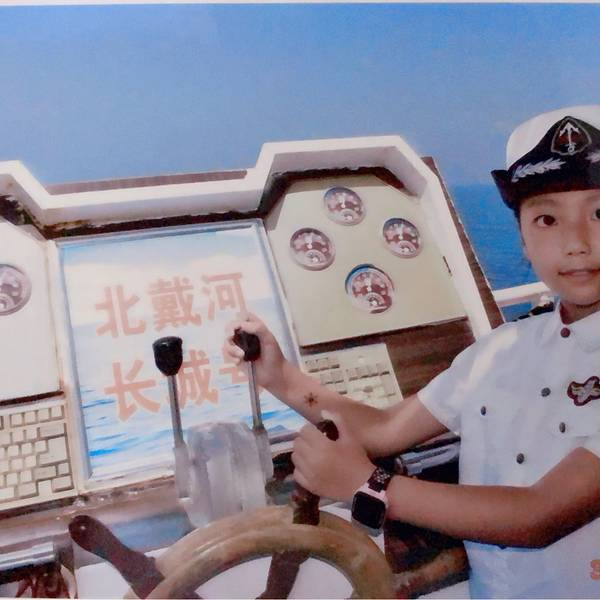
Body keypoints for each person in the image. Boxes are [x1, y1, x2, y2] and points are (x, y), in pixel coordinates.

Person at [224, 105, 600, 599]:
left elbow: (537, 515)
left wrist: (368, 485)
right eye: (546, 219)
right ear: (524, 242)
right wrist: (279, 376)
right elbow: (385, 429)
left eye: (599, 213)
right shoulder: (500, 351)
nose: (576, 243)